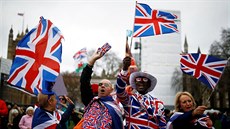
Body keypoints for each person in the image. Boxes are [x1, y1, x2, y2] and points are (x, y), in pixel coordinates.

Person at [116, 56, 166, 129]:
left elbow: (163, 126)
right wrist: (124, 70)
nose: (141, 81)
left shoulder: (158, 103)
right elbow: (120, 91)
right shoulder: (129, 100)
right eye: (138, 79)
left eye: (145, 79)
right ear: (135, 83)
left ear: (149, 84)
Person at [79, 49, 123, 129]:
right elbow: (84, 82)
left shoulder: (115, 108)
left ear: (111, 89)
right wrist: (92, 61)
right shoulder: (91, 101)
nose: (102, 86)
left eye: (106, 85)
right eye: (100, 84)